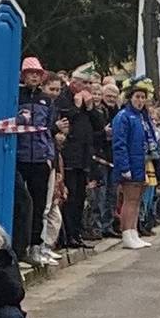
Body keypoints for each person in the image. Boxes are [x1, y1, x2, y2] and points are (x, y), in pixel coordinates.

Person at [12, 57, 56, 265]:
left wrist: (49, 156)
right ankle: (18, 246)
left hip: (39, 158)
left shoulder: (46, 100)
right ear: (23, 75)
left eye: (37, 74)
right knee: (21, 203)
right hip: (19, 157)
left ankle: (36, 245)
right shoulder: (16, 96)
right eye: (30, 73)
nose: (34, 77)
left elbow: (49, 129)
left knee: (39, 205)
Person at [55, 78, 104, 251]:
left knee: (80, 198)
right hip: (70, 156)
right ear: (74, 83)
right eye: (84, 83)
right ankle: (67, 235)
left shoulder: (88, 102)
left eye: (90, 83)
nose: (87, 87)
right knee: (70, 197)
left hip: (84, 157)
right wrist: (76, 107)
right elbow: (65, 121)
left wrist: (90, 108)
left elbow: (99, 125)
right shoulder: (64, 99)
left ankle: (77, 233)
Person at [110, 81, 158, 249]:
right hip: (130, 163)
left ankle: (133, 231)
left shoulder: (142, 117)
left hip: (141, 162)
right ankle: (126, 233)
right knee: (129, 200)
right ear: (130, 98)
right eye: (137, 97)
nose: (140, 101)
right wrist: (124, 167)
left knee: (137, 200)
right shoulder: (123, 117)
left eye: (143, 97)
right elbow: (120, 144)